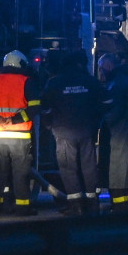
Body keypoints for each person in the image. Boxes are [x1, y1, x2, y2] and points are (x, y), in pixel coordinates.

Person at [0, 50, 41, 216]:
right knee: (21, 173)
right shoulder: (27, 82)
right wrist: (15, 120)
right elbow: (35, 107)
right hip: (20, 136)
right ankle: (22, 207)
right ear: (20, 64)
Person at [42, 50, 104, 215]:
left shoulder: (54, 83)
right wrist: (94, 125)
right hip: (86, 131)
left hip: (63, 132)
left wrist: (50, 127)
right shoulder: (91, 82)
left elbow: (45, 108)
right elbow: (102, 105)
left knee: (68, 168)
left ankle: (75, 204)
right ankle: (92, 203)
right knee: (89, 167)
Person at [97, 53, 128, 212]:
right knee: (121, 177)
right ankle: (122, 205)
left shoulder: (116, 84)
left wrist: (97, 119)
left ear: (108, 66)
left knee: (117, 176)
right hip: (123, 137)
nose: (101, 73)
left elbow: (113, 112)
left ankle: (120, 207)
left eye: (102, 69)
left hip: (117, 139)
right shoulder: (122, 81)